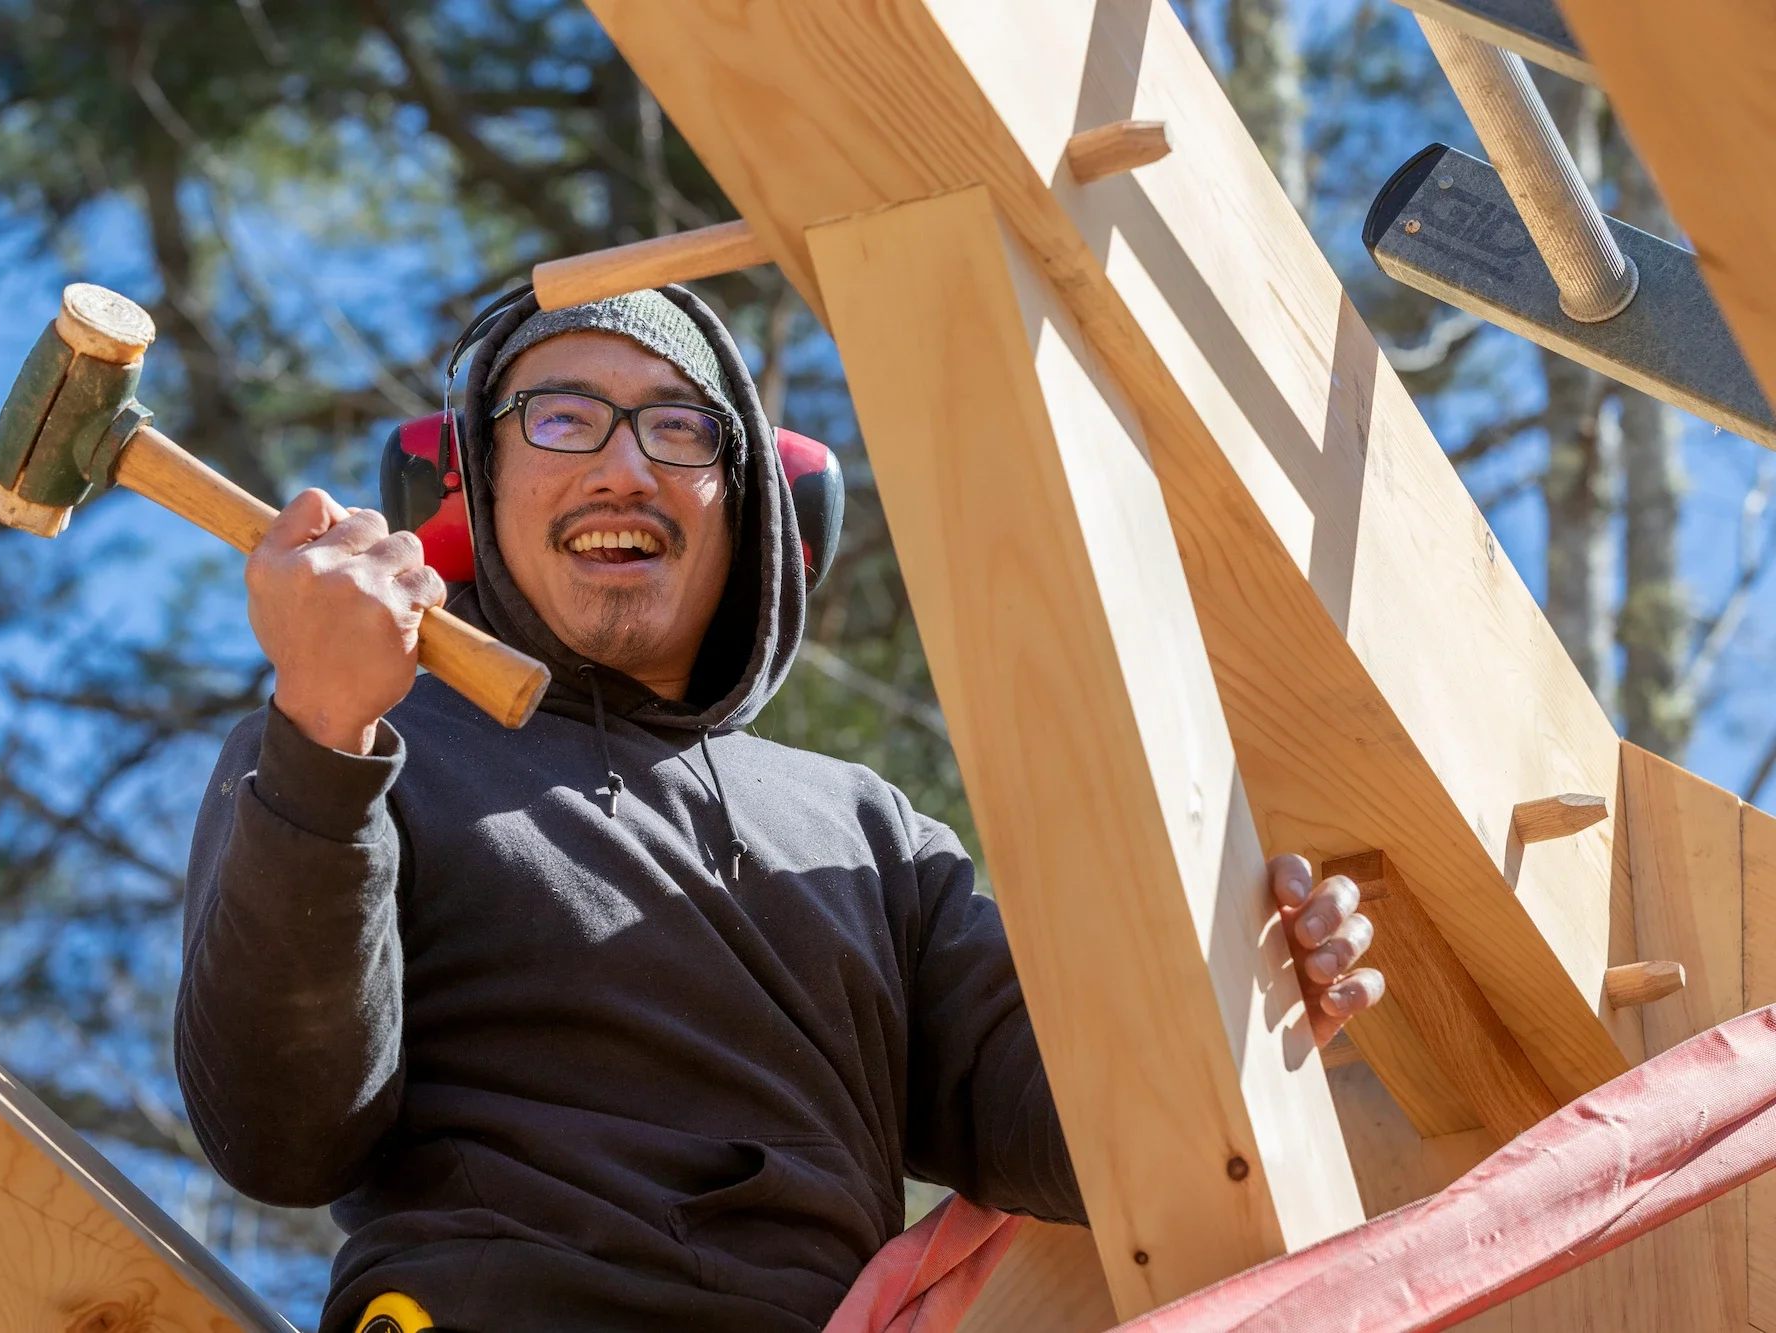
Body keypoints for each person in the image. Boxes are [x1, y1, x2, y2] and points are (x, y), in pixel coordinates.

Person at [176, 287, 1385, 1333]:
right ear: (475, 490)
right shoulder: (371, 753)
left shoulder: (867, 835)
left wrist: (1245, 1003)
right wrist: (325, 739)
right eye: (559, 417)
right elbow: (279, 1135)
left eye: (679, 428)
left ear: (752, 510)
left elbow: (1093, 1122)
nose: (623, 465)